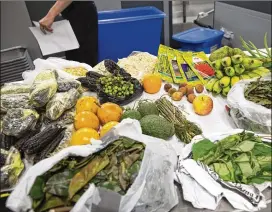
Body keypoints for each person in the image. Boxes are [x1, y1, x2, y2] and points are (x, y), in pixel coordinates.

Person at [39, 1, 98, 67]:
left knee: (83, 62)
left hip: (80, 13)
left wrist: (50, 15)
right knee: (73, 61)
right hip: (72, 12)